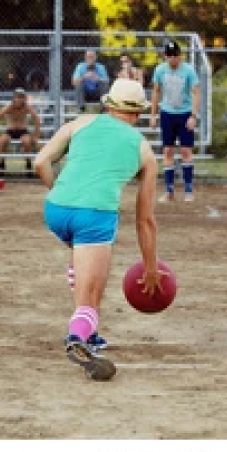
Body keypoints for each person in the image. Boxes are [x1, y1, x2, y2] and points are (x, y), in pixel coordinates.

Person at [34, 78, 163, 381]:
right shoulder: (143, 149)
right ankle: (78, 338)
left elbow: (41, 161)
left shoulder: (79, 124)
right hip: (94, 216)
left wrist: (62, 193)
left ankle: (88, 334)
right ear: (138, 114)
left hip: (55, 209)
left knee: (81, 262)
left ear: (108, 105)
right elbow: (144, 220)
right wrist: (150, 267)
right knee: (91, 296)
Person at [150, 40, 202, 203]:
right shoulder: (159, 70)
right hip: (167, 113)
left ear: (180, 56)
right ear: (165, 56)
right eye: (169, 55)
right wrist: (153, 114)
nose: (173, 59)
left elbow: (196, 93)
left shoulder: (188, 70)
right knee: (167, 151)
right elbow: (156, 92)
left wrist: (193, 116)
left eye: (175, 55)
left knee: (186, 151)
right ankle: (169, 190)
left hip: (184, 113)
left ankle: (188, 190)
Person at [0, 88, 42, 177]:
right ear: (13, 98)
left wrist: (36, 135)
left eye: (21, 97)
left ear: (24, 99)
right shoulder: (9, 107)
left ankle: (28, 165)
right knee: (2, 141)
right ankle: (2, 164)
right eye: (17, 97)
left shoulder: (26, 107)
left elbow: (36, 119)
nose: (19, 99)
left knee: (26, 142)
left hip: (22, 131)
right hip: (10, 130)